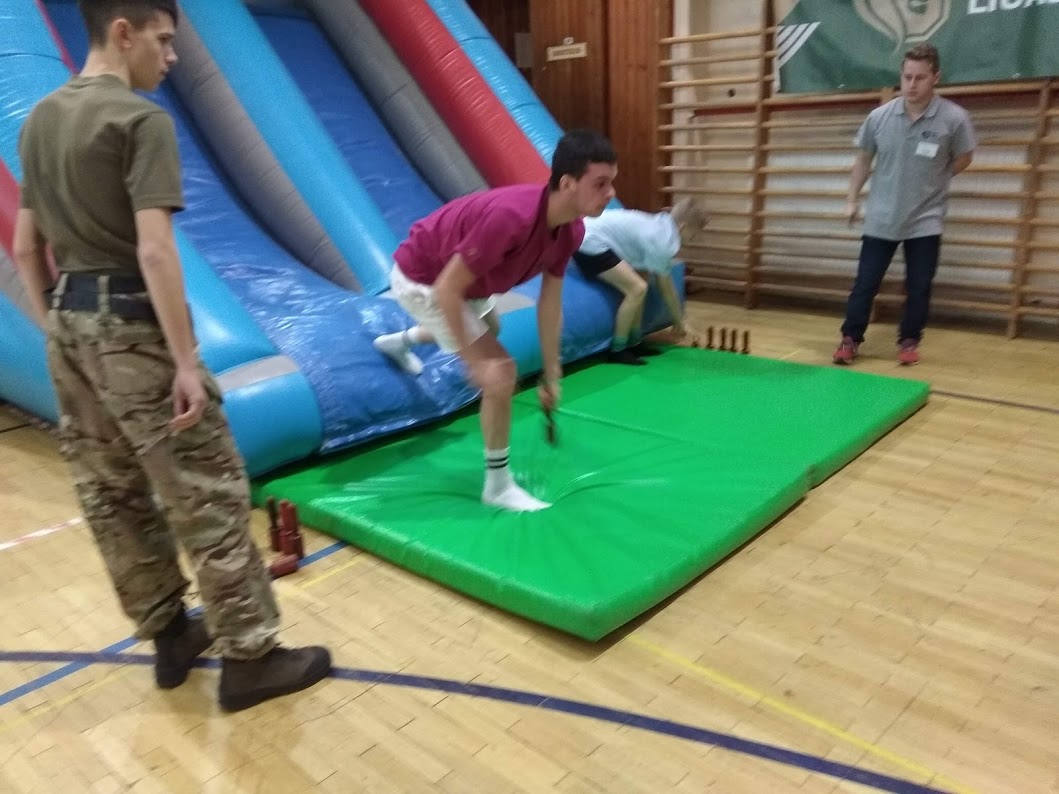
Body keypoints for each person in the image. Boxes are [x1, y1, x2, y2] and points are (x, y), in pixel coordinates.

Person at [13, 0, 330, 713]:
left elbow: (25, 247)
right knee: (207, 489)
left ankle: (169, 635)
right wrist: (185, 362)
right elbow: (156, 251)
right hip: (133, 327)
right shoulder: (139, 120)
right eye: (163, 40)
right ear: (122, 33)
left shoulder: (40, 121)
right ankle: (250, 658)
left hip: (70, 326)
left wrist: (58, 327)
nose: (173, 55)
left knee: (113, 493)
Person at [373, 130, 618, 512]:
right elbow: (446, 290)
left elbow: (550, 303)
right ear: (568, 183)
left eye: (611, 183)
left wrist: (552, 371)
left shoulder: (572, 229)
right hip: (425, 280)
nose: (610, 194)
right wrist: (476, 364)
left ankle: (399, 341)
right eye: (600, 184)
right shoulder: (512, 217)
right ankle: (498, 487)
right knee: (500, 371)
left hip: (467, 284)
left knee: (492, 332)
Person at [834, 43, 975, 367]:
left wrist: (938, 177)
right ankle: (850, 338)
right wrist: (851, 199)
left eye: (920, 78)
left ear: (935, 77)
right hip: (881, 216)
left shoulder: (954, 118)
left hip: (926, 218)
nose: (911, 84)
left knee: (919, 285)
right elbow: (863, 160)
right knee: (865, 283)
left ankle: (909, 340)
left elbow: (965, 157)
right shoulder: (879, 117)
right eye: (907, 76)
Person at [572, 198, 709, 365]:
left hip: (593, 233)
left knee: (642, 280)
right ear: (682, 227)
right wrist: (679, 322)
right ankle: (618, 350)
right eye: (694, 235)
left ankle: (635, 342)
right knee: (637, 289)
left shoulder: (663, 225)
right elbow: (666, 289)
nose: (696, 239)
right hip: (587, 241)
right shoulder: (662, 241)